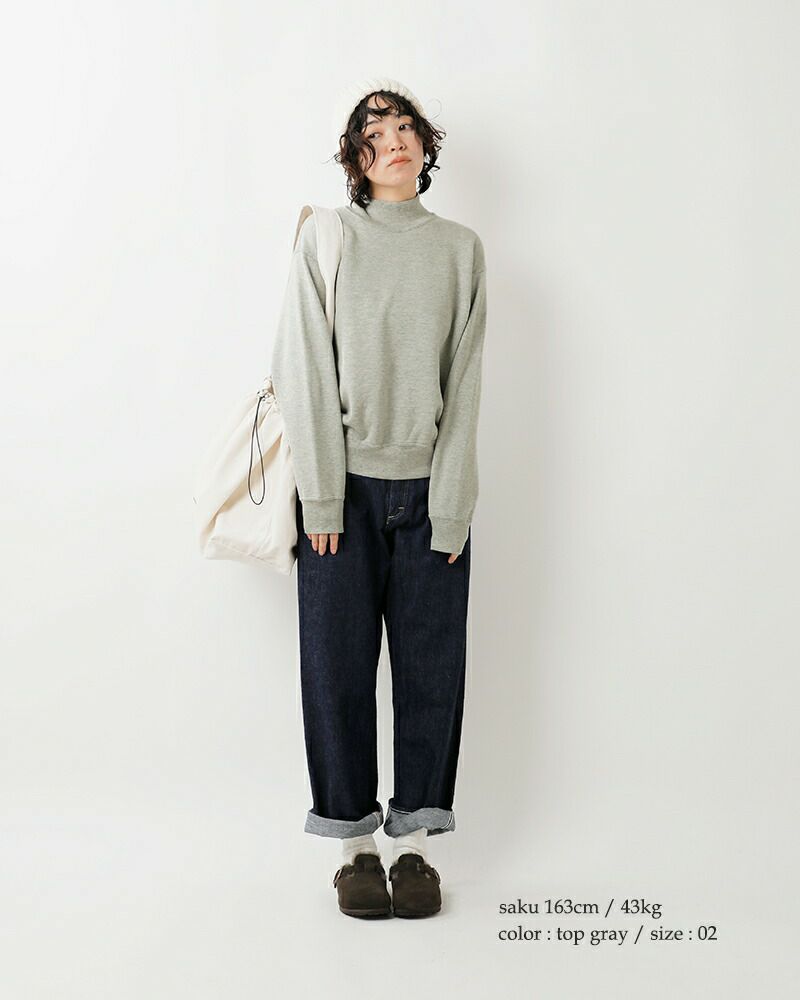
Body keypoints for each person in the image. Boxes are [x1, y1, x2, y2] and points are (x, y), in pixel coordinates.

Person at [270, 78, 487, 918]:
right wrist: (323, 498)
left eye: (404, 128)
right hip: (344, 495)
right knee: (337, 672)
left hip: (432, 493)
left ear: (425, 147)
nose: (392, 140)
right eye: (374, 132)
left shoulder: (461, 249)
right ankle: (354, 847)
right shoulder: (326, 237)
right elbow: (302, 368)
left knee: (432, 674)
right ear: (355, 160)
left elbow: (466, 385)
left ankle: (417, 848)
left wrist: (454, 503)